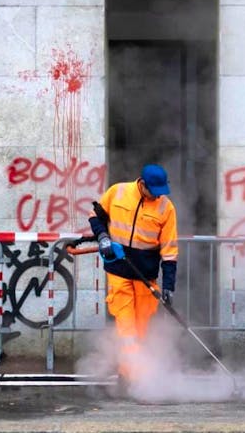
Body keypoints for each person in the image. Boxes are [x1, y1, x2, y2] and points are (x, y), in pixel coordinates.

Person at [88, 163, 178, 381]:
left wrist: (168, 286)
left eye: (160, 192)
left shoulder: (166, 208)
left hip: (146, 275)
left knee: (142, 328)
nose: (157, 196)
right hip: (118, 270)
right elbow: (95, 215)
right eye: (153, 192)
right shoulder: (118, 192)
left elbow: (169, 251)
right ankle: (133, 378)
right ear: (142, 184)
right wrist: (102, 237)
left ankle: (133, 369)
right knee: (126, 328)